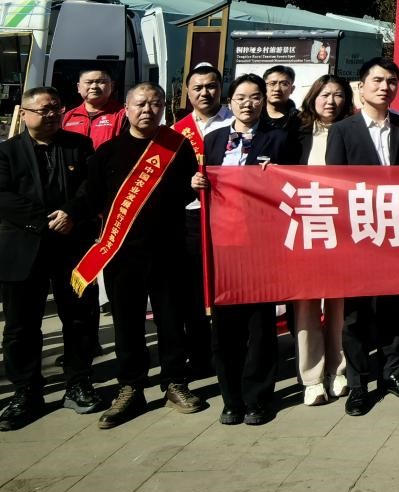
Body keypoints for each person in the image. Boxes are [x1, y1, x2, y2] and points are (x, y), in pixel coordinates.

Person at [69, 83, 206, 428]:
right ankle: (131, 387)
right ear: (126, 109)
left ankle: (175, 382)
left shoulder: (177, 147)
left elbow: (186, 193)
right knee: (126, 323)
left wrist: (195, 187)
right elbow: (91, 197)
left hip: (169, 251)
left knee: (171, 321)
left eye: (155, 104)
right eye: (140, 104)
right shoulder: (107, 152)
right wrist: (69, 214)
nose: (148, 110)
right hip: (122, 255)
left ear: (163, 108)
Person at [0, 88, 102, 431]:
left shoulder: (79, 145)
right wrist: (44, 221)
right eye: (43, 110)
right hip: (23, 248)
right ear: (25, 113)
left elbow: (91, 187)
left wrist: (71, 213)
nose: (52, 115)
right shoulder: (7, 152)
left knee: (80, 318)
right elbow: (4, 196)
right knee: (20, 326)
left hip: (71, 246)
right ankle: (26, 390)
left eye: (56, 108)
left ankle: (78, 381)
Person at [325, 58, 399, 416]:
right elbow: (335, 184)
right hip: (358, 235)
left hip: (397, 235)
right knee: (356, 316)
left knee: (394, 311)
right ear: (361, 87)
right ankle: (358, 384)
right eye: (377, 80)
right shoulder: (343, 131)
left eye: (391, 81)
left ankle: (392, 374)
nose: (384, 87)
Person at [203, 74, 290, 425]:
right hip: (222, 244)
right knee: (225, 327)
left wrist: (279, 174)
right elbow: (203, 183)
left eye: (255, 97)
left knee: (260, 326)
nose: (248, 103)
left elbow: (292, 188)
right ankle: (231, 399)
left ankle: (258, 398)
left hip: (259, 245)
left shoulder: (279, 138)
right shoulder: (213, 139)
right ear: (229, 102)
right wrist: (195, 182)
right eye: (240, 97)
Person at [290, 75, 354, 406]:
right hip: (305, 227)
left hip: (342, 228)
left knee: (339, 303)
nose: (331, 101)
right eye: (325, 95)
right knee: (307, 304)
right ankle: (312, 377)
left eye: (338, 95)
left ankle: (338, 370)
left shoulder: (353, 131)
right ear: (313, 97)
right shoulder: (295, 131)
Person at [173, 63, 233, 380]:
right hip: (192, 218)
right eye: (197, 88)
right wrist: (187, 183)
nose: (204, 93)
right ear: (187, 91)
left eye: (211, 86)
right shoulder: (177, 131)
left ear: (221, 88)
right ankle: (198, 353)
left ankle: (230, 349)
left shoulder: (236, 122)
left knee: (228, 284)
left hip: (230, 218)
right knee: (193, 289)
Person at [61, 67, 125, 147]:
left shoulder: (123, 115)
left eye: (100, 82)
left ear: (112, 86)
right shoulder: (69, 116)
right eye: (89, 82)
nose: (94, 86)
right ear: (78, 87)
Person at [261, 65, 302, 136]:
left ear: (292, 89)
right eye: (272, 83)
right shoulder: (253, 115)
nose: (277, 89)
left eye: (284, 84)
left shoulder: (301, 120)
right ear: (263, 87)